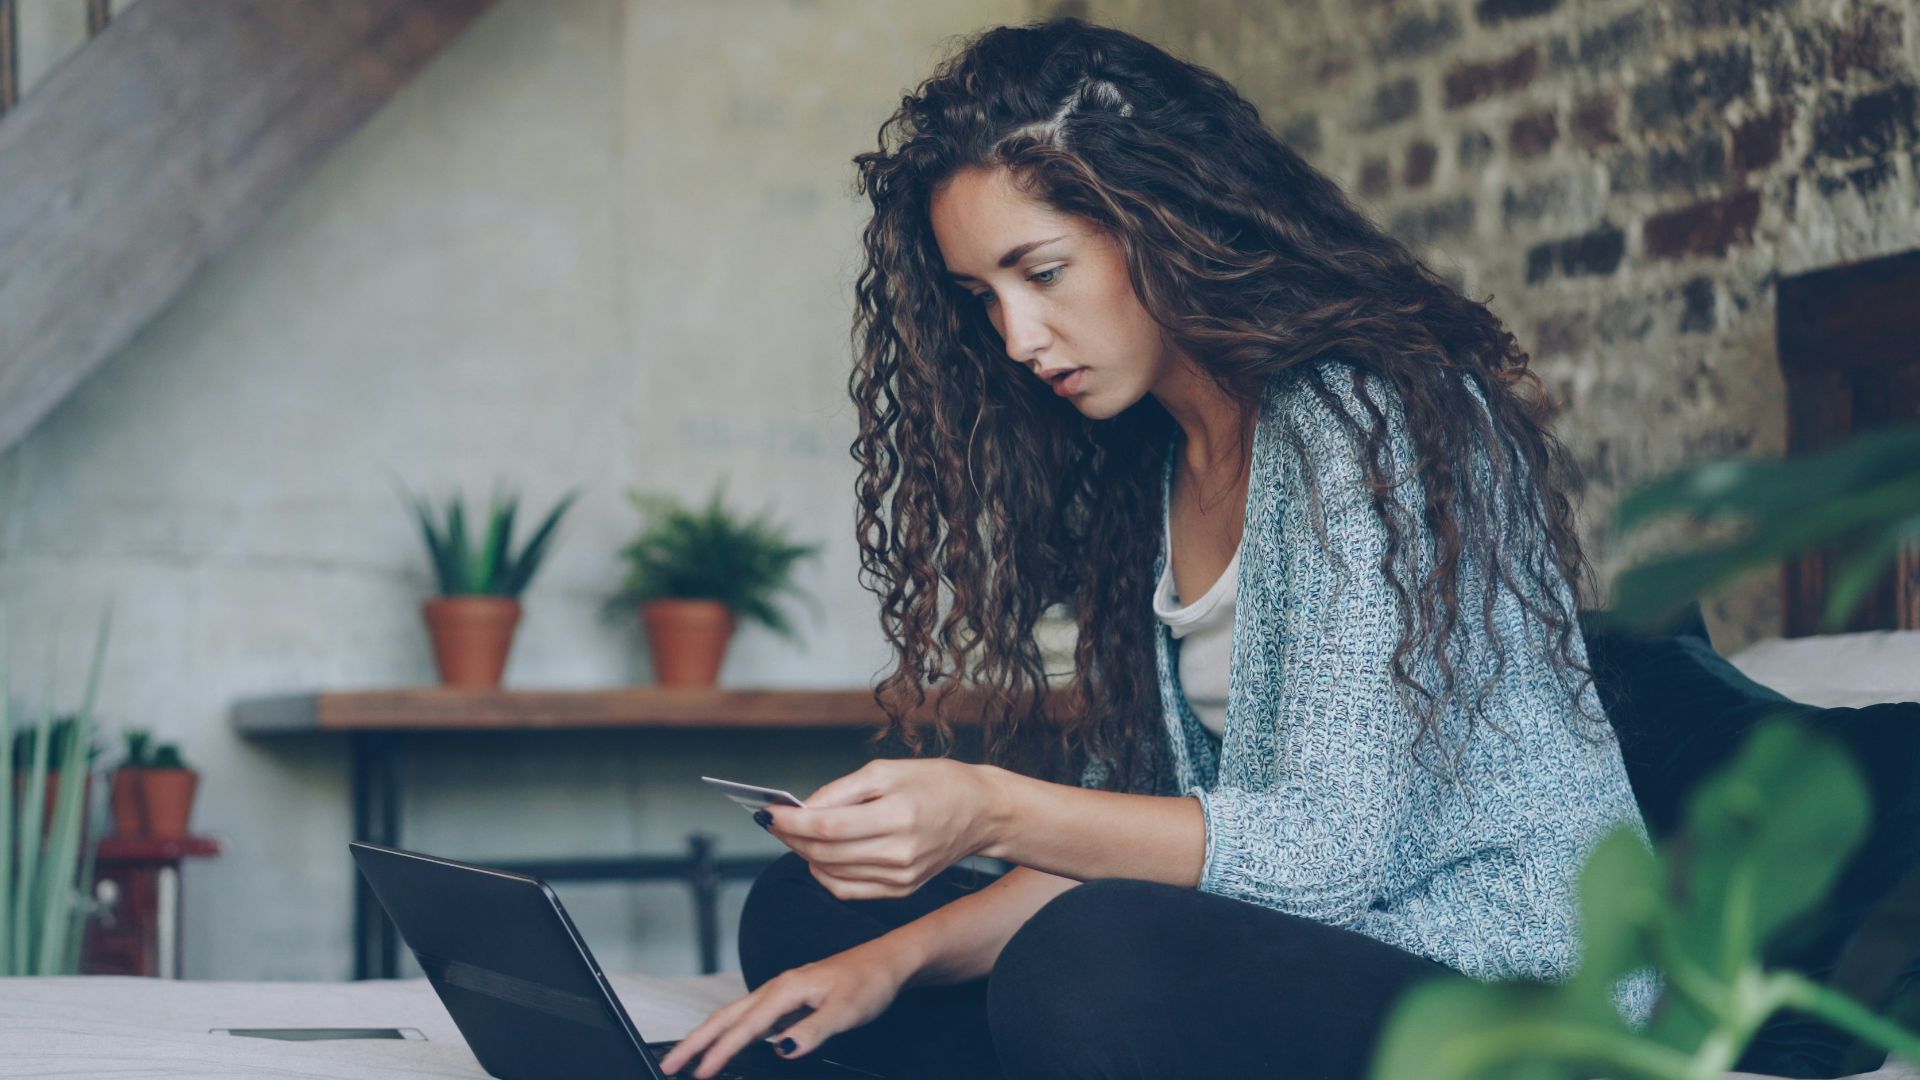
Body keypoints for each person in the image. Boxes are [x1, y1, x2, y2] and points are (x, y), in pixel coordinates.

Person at [658, 15, 1655, 1080]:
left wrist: (988, 805)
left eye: (1040, 273)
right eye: (982, 298)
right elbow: (1149, 846)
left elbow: (1321, 859)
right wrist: (893, 962)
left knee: (1090, 967)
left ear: (1163, 219)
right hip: (1299, 953)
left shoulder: (1372, 424)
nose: (1017, 338)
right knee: (815, 920)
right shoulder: (1155, 464)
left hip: (1509, 982)